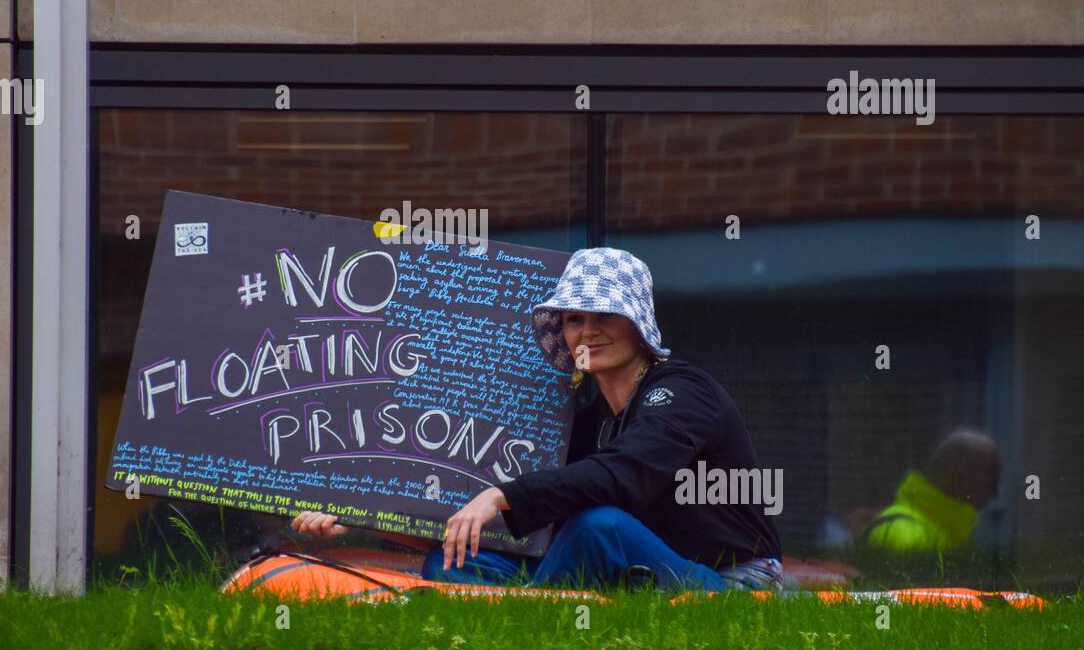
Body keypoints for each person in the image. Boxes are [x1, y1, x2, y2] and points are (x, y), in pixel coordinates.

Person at [295, 247, 783, 593]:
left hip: (730, 580)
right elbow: (524, 527)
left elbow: (622, 476)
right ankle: (530, 606)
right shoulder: (589, 420)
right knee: (459, 560)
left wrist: (500, 493)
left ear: (637, 323)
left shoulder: (683, 391)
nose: (588, 330)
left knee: (600, 526)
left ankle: (531, 619)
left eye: (604, 314)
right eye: (573, 319)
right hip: (624, 571)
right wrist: (363, 520)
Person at [861, 426, 1000, 554]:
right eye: (991, 481)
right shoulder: (904, 533)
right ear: (960, 477)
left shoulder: (948, 533)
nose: (995, 493)